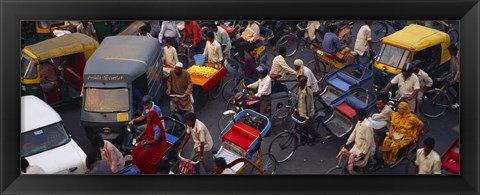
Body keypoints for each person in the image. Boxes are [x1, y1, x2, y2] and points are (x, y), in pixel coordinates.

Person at [336, 108, 375, 174]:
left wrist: (364, 152)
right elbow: (354, 133)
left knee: (361, 165)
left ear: (361, 115)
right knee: (351, 159)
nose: (356, 116)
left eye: (357, 115)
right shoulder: (359, 122)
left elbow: (369, 140)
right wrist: (347, 143)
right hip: (357, 146)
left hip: (364, 148)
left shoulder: (367, 125)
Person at [295, 75, 320, 145]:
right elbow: (299, 99)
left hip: (308, 114)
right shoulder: (300, 88)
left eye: (298, 82)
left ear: (303, 83)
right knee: (302, 127)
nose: (297, 83)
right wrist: (295, 109)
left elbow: (308, 106)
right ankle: (304, 140)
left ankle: (319, 137)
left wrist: (307, 117)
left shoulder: (308, 92)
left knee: (312, 129)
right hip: (301, 112)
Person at [448, 44, 460, 109]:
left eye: (450, 51)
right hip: (457, 76)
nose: (449, 53)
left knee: (458, 90)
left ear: (454, 51)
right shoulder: (453, 56)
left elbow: (459, 70)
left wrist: (454, 79)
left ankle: (457, 102)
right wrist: (452, 75)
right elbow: (453, 68)